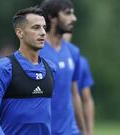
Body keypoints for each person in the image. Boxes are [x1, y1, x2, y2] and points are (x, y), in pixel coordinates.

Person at [0, 7, 56, 135]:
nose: (43, 32)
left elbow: (48, 115)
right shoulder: (5, 67)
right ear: (20, 33)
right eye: (36, 27)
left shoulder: (51, 68)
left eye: (44, 27)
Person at [40, 0, 86, 134]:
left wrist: (83, 131)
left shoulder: (73, 52)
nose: (74, 18)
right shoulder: (36, 51)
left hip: (70, 131)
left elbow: (74, 94)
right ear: (52, 17)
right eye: (67, 14)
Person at [63, 33, 95, 135]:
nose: (64, 35)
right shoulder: (41, 57)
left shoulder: (81, 62)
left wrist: (89, 131)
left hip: (73, 128)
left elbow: (87, 99)